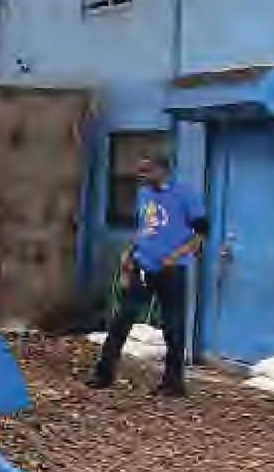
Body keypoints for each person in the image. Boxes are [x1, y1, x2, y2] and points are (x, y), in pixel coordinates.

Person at [87, 153, 207, 395]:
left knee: (172, 326)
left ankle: (173, 383)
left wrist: (177, 255)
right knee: (122, 319)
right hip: (144, 266)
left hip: (172, 270)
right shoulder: (144, 194)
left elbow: (201, 233)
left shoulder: (185, 193)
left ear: (162, 170)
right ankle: (104, 373)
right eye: (140, 171)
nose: (140, 176)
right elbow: (145, 228)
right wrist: (129, 253)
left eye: (146, 171)